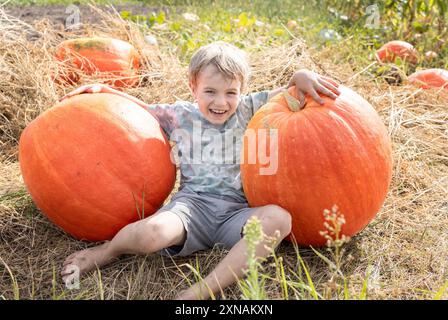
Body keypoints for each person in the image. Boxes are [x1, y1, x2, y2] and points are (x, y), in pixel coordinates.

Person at [60, 41, 339, 299]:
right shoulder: (179, 115)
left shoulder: (251, 109)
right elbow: (136, 110)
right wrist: (104, 90)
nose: (221, 102)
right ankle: (108, 251)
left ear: (242, 91)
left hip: (240, 213)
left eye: (231, 93)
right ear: (193, 86)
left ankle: (201, 291)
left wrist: (301, 74)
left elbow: (289, 93)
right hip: (192, 210)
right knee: (151, 233)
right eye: (210, 92)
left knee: (279, 219)